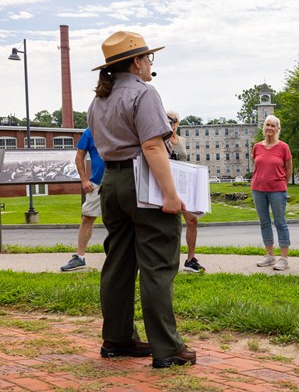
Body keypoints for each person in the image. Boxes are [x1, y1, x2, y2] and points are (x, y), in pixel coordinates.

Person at [88, 31, 195, 368]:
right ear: (136, 61)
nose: (150, 63)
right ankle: (167, 348)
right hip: (142, 182)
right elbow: (151, 146)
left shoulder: (98, 100)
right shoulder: (144, 93)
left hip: (111, 182)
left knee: (118, 262)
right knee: (158, 265)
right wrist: (171, 194)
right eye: (148, 57)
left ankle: (116, 339)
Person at [60, 128, 105, 272]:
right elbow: (79, 156)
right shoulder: (90, 132)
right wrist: (84, 180)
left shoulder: (120, 125)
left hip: (119, 181)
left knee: (121, 220)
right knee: (87, 219)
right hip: (97, 184)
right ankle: (80, 257)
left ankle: (124, 258)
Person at [165, 110, 205, 273]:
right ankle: (167, 261)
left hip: (183, 186)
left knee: (192, 220)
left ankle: (190, 259)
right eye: (167, 120)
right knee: (169, 225)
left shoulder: (180, 140)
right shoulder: (161, 139)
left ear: (178, 123)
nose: (170, 123)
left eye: (173, 121)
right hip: (167, 186)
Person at [252, 115, 293, 271]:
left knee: (280, 222)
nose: (269, 128)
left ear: (278, 129)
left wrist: (282, 182)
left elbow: (289, 169)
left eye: (273, 126)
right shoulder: (257, 147)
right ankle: (269, 255)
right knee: (264, 222)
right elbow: (258, 165)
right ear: (264, 127)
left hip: (277, 190)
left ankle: (284, 258)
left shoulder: (283, 147)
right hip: (258, 189)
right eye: (267, 125)